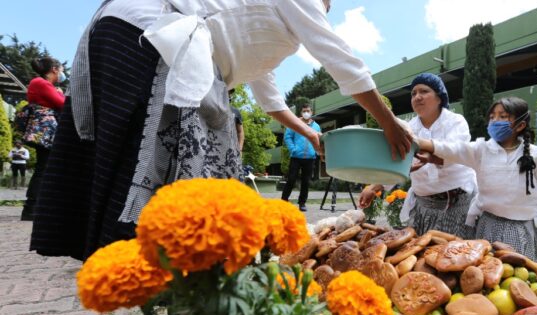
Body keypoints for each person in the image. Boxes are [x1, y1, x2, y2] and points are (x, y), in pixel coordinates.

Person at [30, 0, 411, 261]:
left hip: (152, 40)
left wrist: (311, 134)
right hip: (151, 36)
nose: (324, 9)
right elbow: (339, 57)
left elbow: (271, 99)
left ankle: (162, 275)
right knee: (150, 168)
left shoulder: (270, 25)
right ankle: (149, 271)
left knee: (174, 175)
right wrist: (388, 122)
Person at [414, 97, 537, 276]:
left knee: (523, 276)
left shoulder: (534, 155)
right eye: (492, 117)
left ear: (520, 125)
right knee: (490, 276)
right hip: (489, 225)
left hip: (523, 228)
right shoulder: (480, 150)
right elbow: (452, 149)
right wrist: (418, 141)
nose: (495, 121)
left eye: (502, 117)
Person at [360, 73, 477, 236]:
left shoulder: (456, 121)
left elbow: (457, 151)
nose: (417, 97)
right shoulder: (408, 127)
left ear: (439, 97)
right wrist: (374, 186)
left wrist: (433, 155)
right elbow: (397, 161)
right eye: (413, 93)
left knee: (454, 254)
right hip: (422, 206)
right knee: (420, 253)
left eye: (424, 91)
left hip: (457, 204)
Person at [21, 56, 65, 221]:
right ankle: (31, 209)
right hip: (44, 131)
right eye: (60, 70)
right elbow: (62, 103)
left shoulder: (42, 84)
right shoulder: (41, 83)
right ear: (54, 69)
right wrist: (60, 94)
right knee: (43, 169)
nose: (61, 74)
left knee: (44, 168)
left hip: (45, 131)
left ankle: (35, 207)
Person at [282, 104, 320, 212]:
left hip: (310, 158)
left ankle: (302, 203)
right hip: (296, 157)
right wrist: (293, 149)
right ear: (301, 113)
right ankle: (284, 200)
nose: (306, 113)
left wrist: (317, 152)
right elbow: (287, 137)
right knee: (291, 179)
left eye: (308, 111)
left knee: (306, 181)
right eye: (304, 111)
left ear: (311, 112)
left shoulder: (316, 126)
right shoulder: (295, 123)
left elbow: (318, 139)